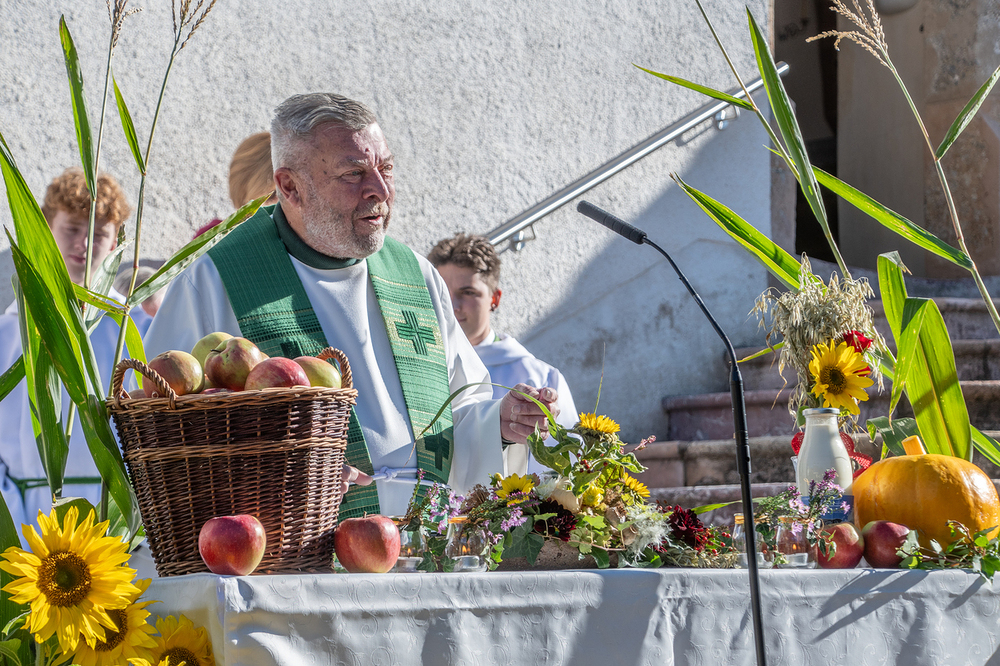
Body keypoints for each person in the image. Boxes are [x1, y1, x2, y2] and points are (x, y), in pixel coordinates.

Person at [143, 93, 556, 517]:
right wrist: (282, 472)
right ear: (290, 187)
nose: (380, 190)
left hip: (424, 545)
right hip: (293, 547)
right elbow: (162, 436)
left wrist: (500, 424)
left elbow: (460, 411)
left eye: (386, 169)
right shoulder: (217, 279)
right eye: (353, 173)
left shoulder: (415, 275)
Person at [0, 168, 152, 533]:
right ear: (44, 229)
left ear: (115, 242)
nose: (83, 244)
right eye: (71, 229)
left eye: (98, 234)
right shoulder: (9, 332)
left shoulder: (135, 329)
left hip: (117, 515)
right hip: (24, 517)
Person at [428, 233, 578, 474]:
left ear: (494, 298)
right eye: (443, 294)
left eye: (468, 292)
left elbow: (562, 467)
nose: (453, 306)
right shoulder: (420, 365)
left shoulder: (540, 377)